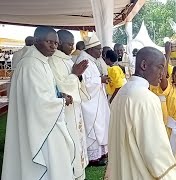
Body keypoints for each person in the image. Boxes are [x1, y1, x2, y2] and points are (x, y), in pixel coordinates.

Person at [2, 26, 76, 180]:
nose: (54, 47)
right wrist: (61, 101)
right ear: (36, 40)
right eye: (49, 42)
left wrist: (58, 94)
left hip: (46, 120)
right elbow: (37, 103)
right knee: (49, 162)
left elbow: (44, 91)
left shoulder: (42, 61)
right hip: (41, 125)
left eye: (56, 43)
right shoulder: (31, 64)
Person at [107, 47, 176, 179]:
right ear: (144, 65)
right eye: (160, 67)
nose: (163, 74)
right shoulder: (146, 98)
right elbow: (154, 148)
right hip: (138, 172)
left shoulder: (123, 91)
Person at [48, 30, 89, 180]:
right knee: (70, 142)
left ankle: (79, 170)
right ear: (60, 44)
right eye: (69, 44)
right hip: (65, 110)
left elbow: (75, 81)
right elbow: (60, 87)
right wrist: (74, 74)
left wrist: (78, 76)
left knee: (77, 141)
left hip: (75, 109)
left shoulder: (68, 59)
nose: (72, 48)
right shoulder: (53, 61)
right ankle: (71, 172)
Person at [75, 33, 110, 166]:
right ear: (90, 50)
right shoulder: (84, 60)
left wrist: (100, 79)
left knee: (99, 127)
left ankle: (100, 154)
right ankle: (94, 158)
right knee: (94, 129)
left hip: (96, 100)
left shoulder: (90, 59)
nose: (101, 52)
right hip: (90, 102)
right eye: (98, 49)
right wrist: (99, 80)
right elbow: (83, 83)